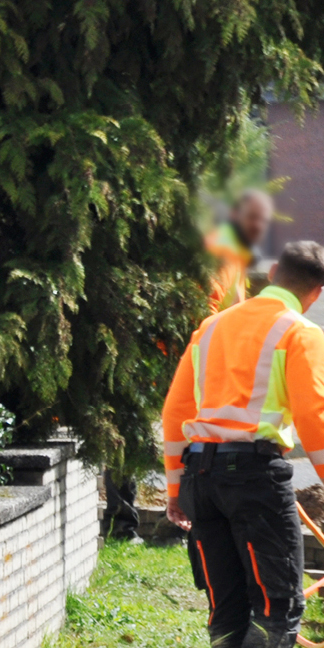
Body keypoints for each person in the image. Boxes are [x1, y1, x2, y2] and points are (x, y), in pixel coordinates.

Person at [162, 240, 324, 648]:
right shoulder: (299, 331)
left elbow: (175, 411)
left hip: (201, 474)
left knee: (226, 605)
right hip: (253, 475)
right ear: (316, 294)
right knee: (279, 601)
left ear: (272, 273)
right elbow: (315, 419)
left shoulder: (212, 327)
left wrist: (175, 485)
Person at [102, 190, 277, 538]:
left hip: (186, 359)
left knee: (156, 435)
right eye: (253, 220)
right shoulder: (222, 255)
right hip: (183, 361)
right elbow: (203, 311)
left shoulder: (233, 257)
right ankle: (138, 524)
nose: (258, 229)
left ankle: (145, 522)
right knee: (157, 434)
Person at [204, 191, 274, 314]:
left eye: (263, 220)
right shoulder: (224, 251)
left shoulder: (236, 250)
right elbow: (206, 309)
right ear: (234, 215)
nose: (258, 226)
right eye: (251, 217)